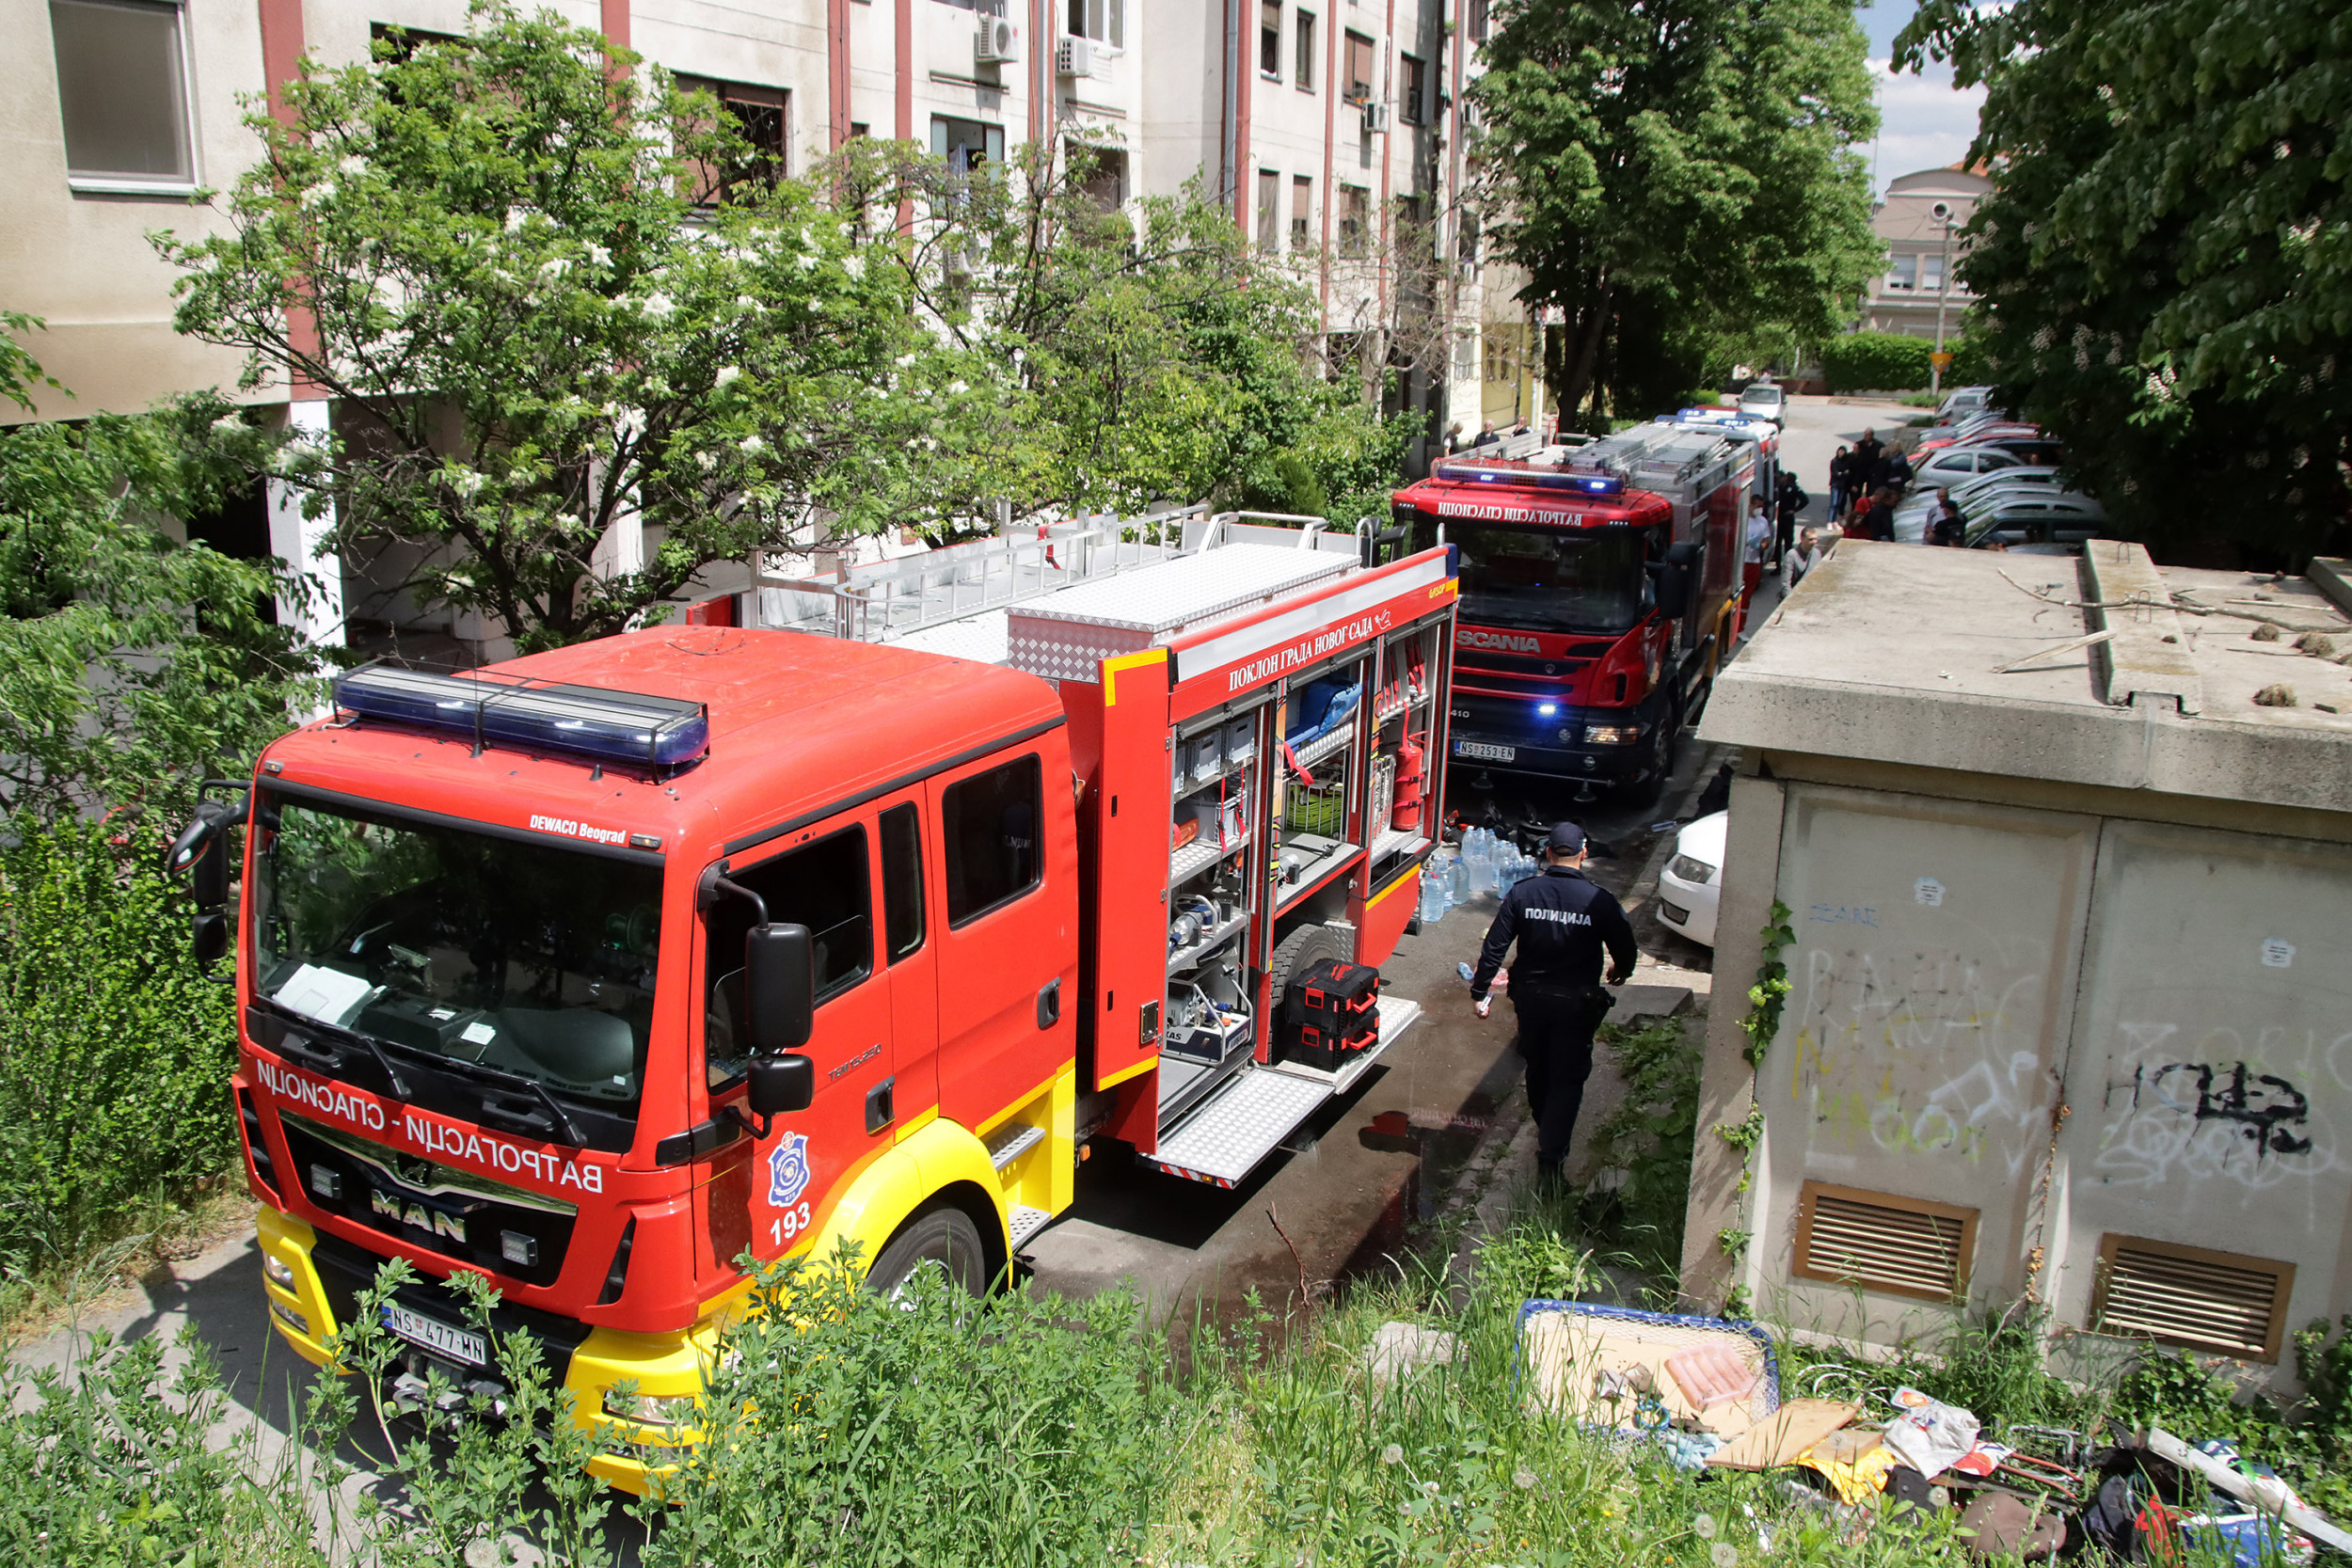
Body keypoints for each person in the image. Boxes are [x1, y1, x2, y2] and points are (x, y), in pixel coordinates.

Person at [1468, 822, 1636, 1187]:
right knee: (1567, 1078)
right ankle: (1550, 1160)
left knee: (1539, 1068)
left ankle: (1548, 1134)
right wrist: (1621, 970)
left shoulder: (1524, 893)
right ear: (1584, 854)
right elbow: (1625, 944)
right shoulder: (1599, 900)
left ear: (1547, 853)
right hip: (1575, 1004)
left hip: (1531, 1000)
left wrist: (1481, 989)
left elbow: (1495, 946)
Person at [1783, 526, 1827, 590]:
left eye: (1816, 539)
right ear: (1802, 538)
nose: (1814, 542)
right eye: (1810, 539)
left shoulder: (1817, 553)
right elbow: (1785, 584)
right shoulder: (1791, 555)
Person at [1826, 445, 1852, 521]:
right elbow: (1835, 473)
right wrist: (1843, 473)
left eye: (1843, 451)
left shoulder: (1846, 461)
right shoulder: (1834, 461)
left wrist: (1842, 473)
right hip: (1835, 485)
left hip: (1842, 485)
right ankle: (1830, 521)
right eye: (1840, 451)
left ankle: (1834, 520)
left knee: (1838, 504)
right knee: (1833, 503)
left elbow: (1848, 472)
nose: (1841, 453)